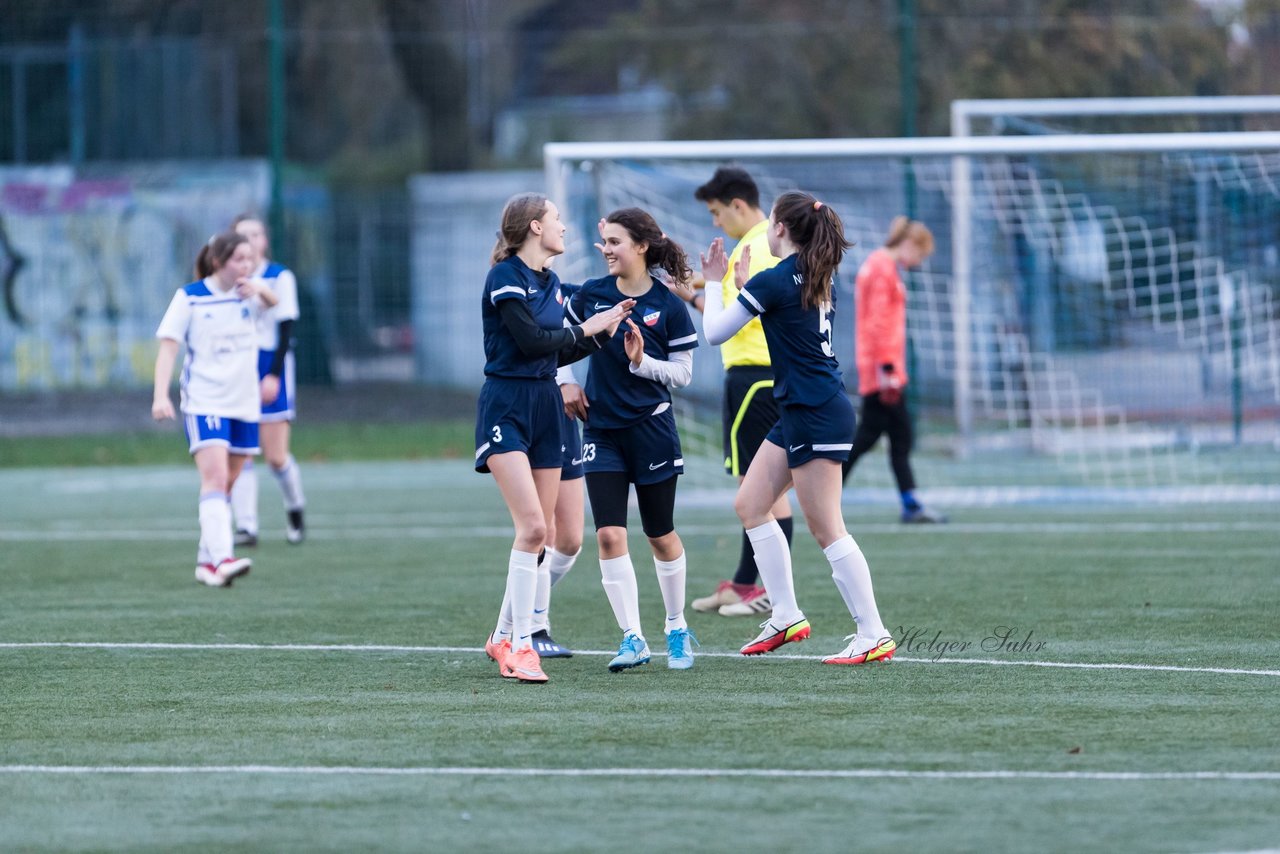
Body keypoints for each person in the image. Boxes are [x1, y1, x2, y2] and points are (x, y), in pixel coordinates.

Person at [700, 191, 896, 666]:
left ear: (781, 229)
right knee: (750, 504)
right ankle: (785, 614)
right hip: (802, 408)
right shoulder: (811, 273)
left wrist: (713, 283)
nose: (766, 228)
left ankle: (873, 632)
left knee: (827, 528)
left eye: (770, 221)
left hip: (815, 410)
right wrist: (746, 286)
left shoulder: (776, 280)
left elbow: (715, 332)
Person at [477, 193, 633, 684]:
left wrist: (607, 331)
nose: (564, 228)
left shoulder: (552, 286)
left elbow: (562, 350)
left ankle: (505, 635)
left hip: (546, 405)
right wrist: (584, 330)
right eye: (557, 220)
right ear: (534, 228)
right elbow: (529, 343)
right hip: (507, 404)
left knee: (543, 532)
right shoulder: (505, 278)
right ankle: (522, 646)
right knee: (532, 527)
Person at [565, 208, 700, 673]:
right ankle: (632, 637)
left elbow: (683, 373)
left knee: (659, 535)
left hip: (652, 428)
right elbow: (562, 342)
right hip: (601, 430)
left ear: (641, 247)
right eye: (605, 242)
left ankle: (677, 627)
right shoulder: (589, 295)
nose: (606, 249)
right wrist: (566, 381)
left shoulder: (671, 305)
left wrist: (641, 362)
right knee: (607, 533)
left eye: (616, 242)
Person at [686, 167, 793, 618]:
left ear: (737, 204)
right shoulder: (750, 246)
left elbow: (739, 312)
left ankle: (767, 592)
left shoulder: (760, 245)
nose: (715, 223)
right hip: (751, 377)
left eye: (716, 212)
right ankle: (746, 584)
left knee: (764, 492)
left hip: (759, 377)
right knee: (753, 489)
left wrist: (694, 293)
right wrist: (693, 288)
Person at [152, 231, 279, 588]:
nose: (248, 265)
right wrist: (160, 395)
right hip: (205, 401)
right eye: (240, 259)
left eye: (251, 258)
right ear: (219, 261)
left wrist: (260, 289)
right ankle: (222, 558)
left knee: (230, 481)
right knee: (216, 478)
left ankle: (206, 560)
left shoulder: (249, 292)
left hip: (244, 403)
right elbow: (168, 349)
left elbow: (274, 303)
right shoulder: (190, 298)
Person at [842, 216, 947, 524]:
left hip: (881, 368)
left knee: (876, 436)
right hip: (882, 370)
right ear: (909, 244)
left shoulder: (882, 267)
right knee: (892, 437)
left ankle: (908, 503)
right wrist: (887, 369)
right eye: (920, 254)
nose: (918, 262)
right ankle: (909, 503)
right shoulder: (881, 269)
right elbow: (876, 324)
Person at [228, 215, 308, 546]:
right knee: (243, 450)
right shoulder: (226, 281)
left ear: (265, 240)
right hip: (238, 367)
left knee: (275, 456)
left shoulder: (279, 277)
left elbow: (285, 327)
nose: (251, 240)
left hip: (269, 363)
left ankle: (295, 509)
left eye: (257, 234)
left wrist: (273, 374)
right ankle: (247, 526)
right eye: (243, 235)